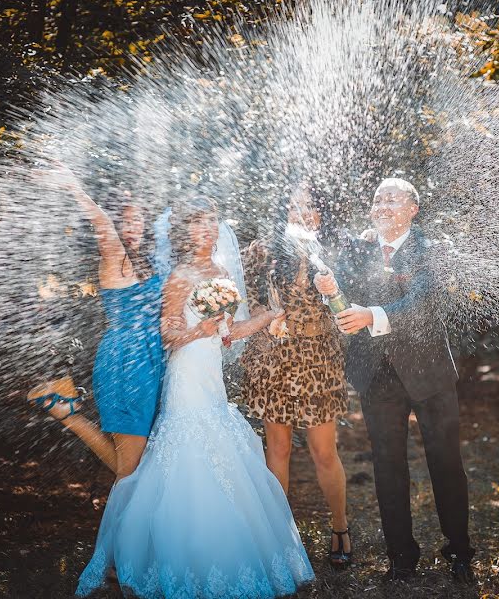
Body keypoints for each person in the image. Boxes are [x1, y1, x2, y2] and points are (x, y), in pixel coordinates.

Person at [76, 198, 315, 598]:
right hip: (186, 377)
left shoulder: (219, 271)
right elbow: (169, 335)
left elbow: (229, 333)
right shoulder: (180, 277)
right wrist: (199, 332)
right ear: (184, 232)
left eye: (214, 222)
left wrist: (267, 317)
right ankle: (150, 559)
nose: (209, 229)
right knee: (185, 456)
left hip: (212, 379)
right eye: (199, 223)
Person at [314, 178, 476, 584]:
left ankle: (459, 549)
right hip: (377, 374)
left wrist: (372, 316)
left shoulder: (431, 250)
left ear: (412, 209)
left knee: (445, 462)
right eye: (377, 199)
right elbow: (344, 300)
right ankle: (401, 557)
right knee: (387, 466)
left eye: (392, 198)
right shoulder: (359, 249)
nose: (383, 205)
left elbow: (422, 304)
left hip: (429, 373)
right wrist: (331, 291)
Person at [28, 164, 181, 481]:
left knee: (143, 463)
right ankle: (68, 415)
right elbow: (101, 223)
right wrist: (75, 190)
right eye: (124, 221)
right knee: (130, 469)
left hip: (150, 361)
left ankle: (66, 411)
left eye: (137, 219)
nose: (131, 226)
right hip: (127, 362)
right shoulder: (115, 258)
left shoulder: (146, 262)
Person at [241, 184, 353, 568]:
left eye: (308, 207)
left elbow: (348, 312)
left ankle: (340, 528)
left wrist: (334, 289)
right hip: (276, 360)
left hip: (320, 360)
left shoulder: (337, 249)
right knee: (279, 449)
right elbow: (246, 294)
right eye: (293, 206)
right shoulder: (264, 250)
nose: (300, 213)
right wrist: (266, 318)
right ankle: (279, 536)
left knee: (324, 452)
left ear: (321, 213)